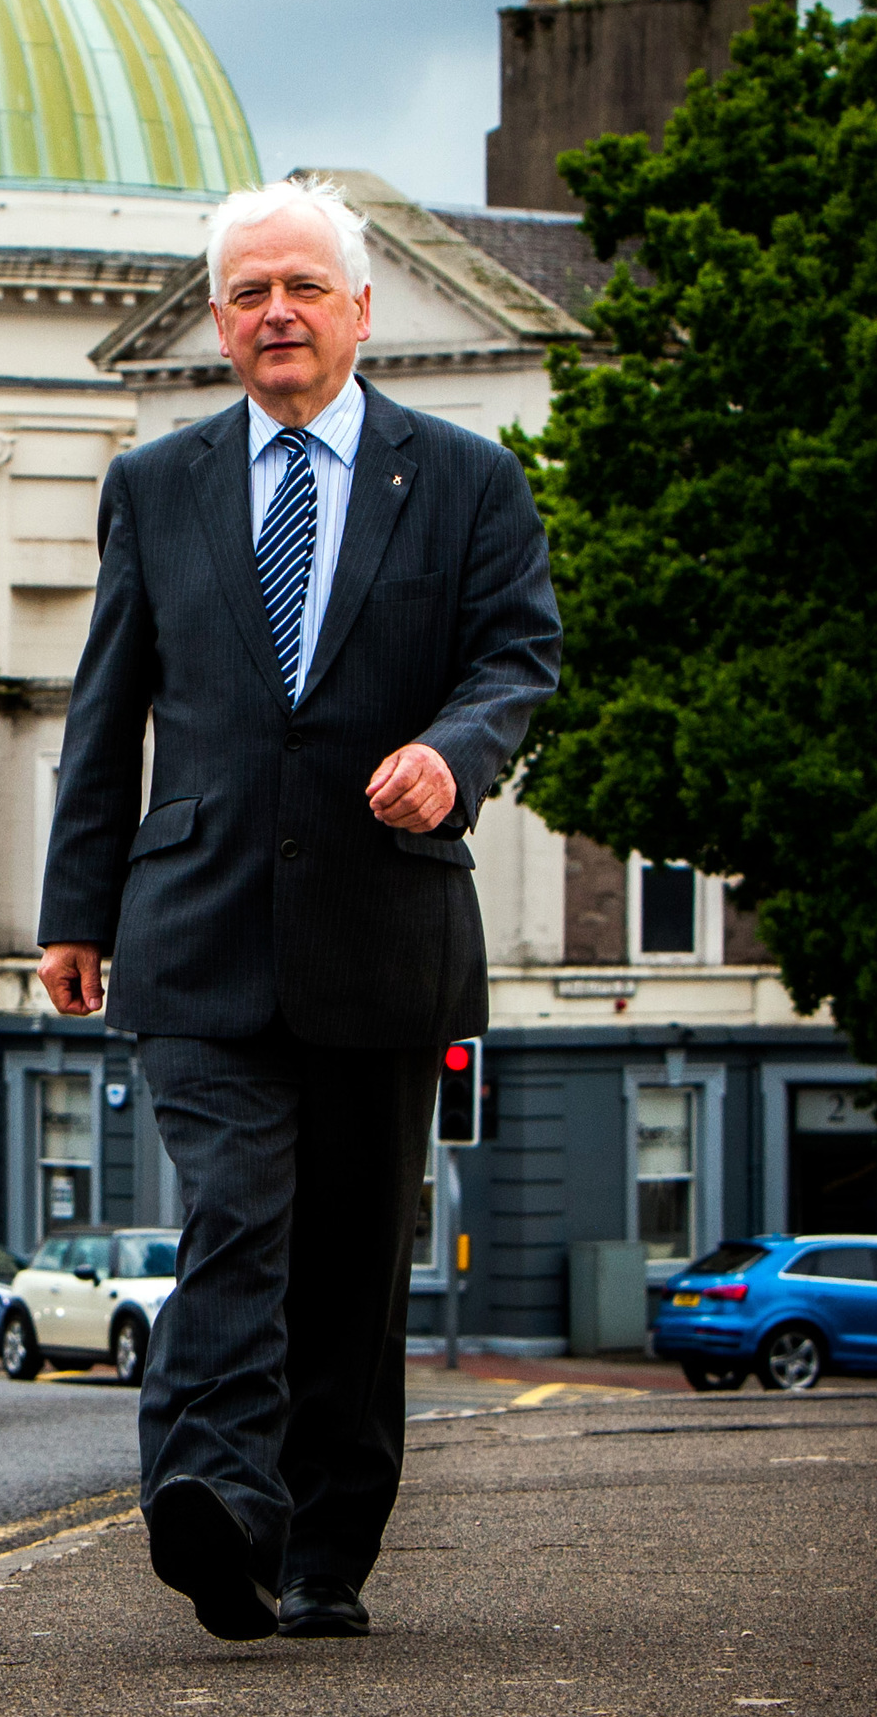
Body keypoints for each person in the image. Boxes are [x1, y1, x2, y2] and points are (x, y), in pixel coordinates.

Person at [34, 176, 559, 1641]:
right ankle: (210, 1502)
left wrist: (451, 764)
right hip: (194, 926)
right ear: (219, 321)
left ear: (358, 311)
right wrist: (78, 907)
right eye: (251, 293)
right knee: (234, 1217)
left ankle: (327, 1551)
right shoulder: (156, 486)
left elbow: (518, 664)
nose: (278, 314)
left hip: (384, 932)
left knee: (346, 1260)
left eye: (304, 289)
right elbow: (108, 708)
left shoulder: (464, 482)